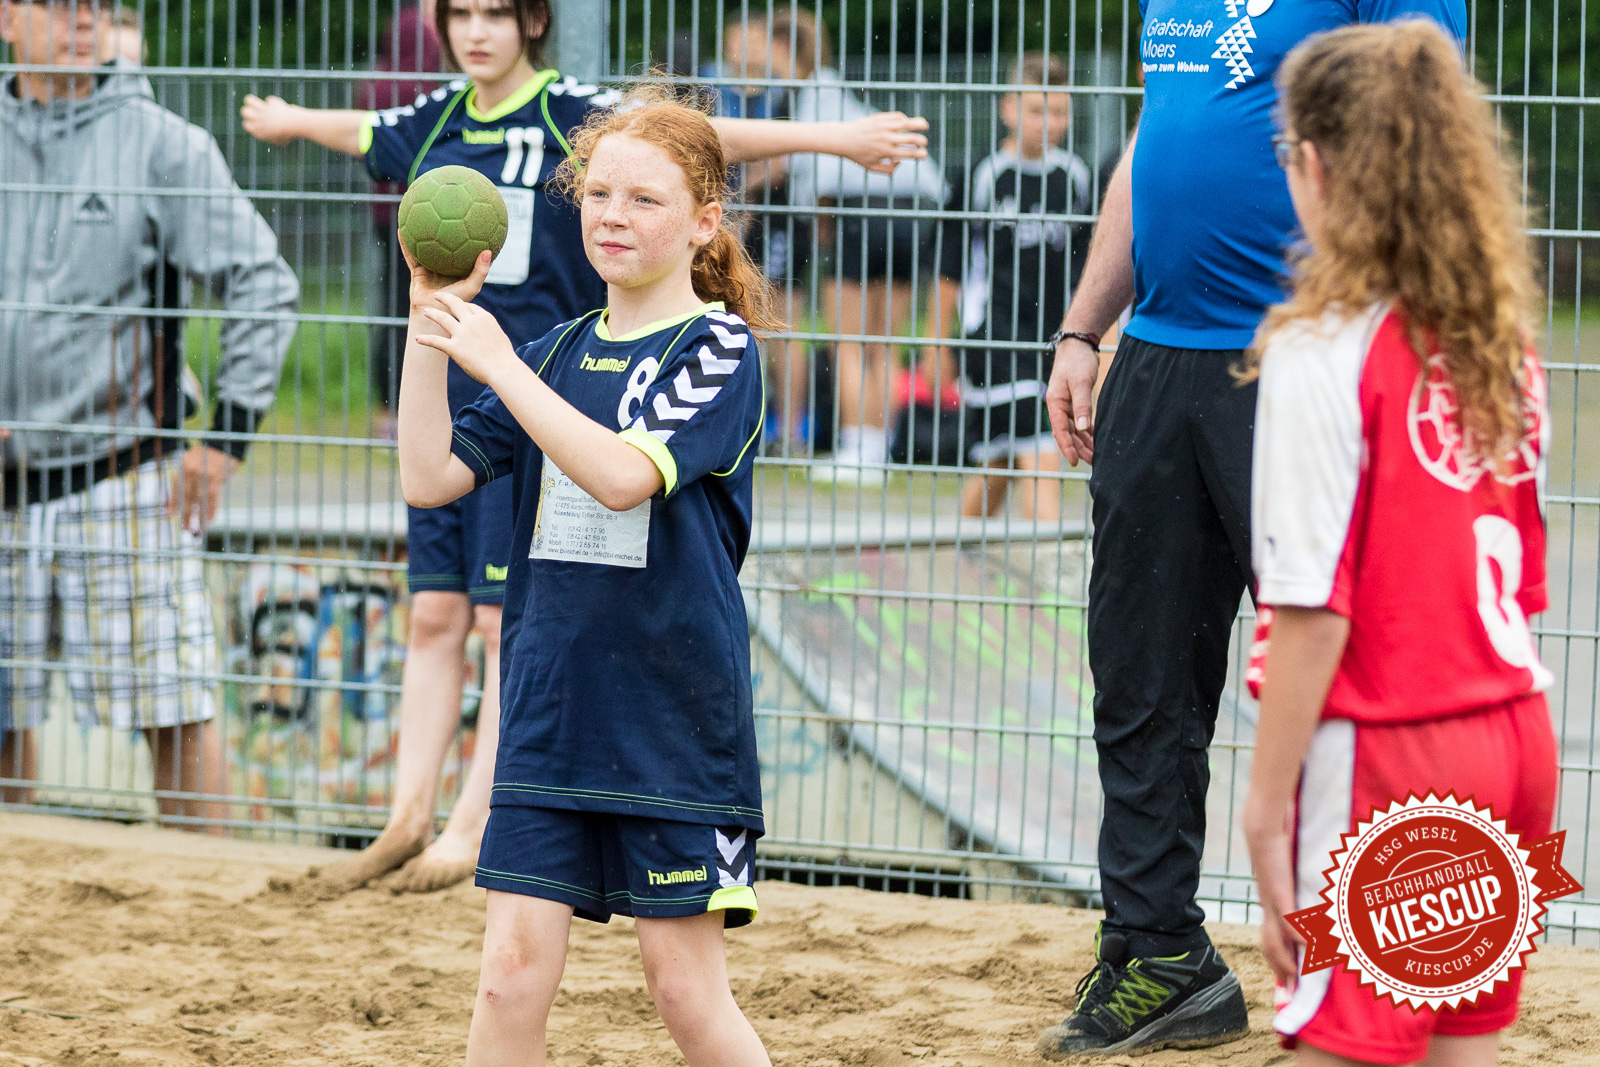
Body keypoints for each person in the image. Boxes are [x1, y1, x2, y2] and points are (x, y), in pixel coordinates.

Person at [240, 0, 928, 893]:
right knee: (434, 614)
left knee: (501, 620)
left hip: (562, 405)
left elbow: (691, 141)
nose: (475, 31)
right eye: (460, 14)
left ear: (532, 22)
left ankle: (469, 824)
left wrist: (834, 138)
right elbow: (363, 130)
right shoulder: (438, 118)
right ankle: (407, 816)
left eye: (495, 13)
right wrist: (292, 120)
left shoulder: (574, 117)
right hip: (466, 391)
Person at [1037, 0, 1467, 1056]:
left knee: (1357, 678)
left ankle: (1386, 947)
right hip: (1159, 359)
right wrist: (1083, 326)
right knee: (1139, 678)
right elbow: (1152, 144)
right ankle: (1158, 952)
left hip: (1311, 356)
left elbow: (1420, 142)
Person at [397, 91, 775, 1066]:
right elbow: (428, 475)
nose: (612, 215)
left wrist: (498, 365)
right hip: (552, 707)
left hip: (671, 719)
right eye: (598, 194)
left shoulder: (718, 348)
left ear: (704, 222)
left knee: (683, 989)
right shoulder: (556, 350)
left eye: (644, 199)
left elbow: (618, 477)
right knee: (508, 972)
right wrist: (426, 325)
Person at [1243, 23, 1553, 1067]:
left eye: (1285, 153)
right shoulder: (1496, 339)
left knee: (1338, 1042)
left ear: (1318, 164)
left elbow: (1313, 604)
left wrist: (1262, 810)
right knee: (1460, 1044)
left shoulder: (1318, 347)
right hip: (1514, 735)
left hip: (1393, 747)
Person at [0, 0, 299, 825]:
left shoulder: (163, 143)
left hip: (123, 473)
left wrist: (226, 436)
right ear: (8, 17)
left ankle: (208, 884)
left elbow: (262, 283)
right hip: (4, 484)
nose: (83, 20)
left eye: (97, 6)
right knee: (2, 713)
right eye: (61, 4)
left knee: (174, 708)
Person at [779, 9, 947, 480]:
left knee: (849, 343)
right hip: (907, 212)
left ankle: (856, 451)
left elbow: (814, 172)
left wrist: (819, 221)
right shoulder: (838, 95)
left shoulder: (815, 96)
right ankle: (877, 451)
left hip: (858, 213)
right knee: (884, 346)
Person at [937, 52, 1092, 522]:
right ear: (1008, 108)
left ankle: (956, 556)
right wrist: (937, 346)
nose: (1048, 123)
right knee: (1042, 455)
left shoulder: (1075, 177)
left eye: (1059, 112)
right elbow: (950, 270)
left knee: (999, 465)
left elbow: (1085, 268)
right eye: (1036, 110)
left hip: (1050, 338)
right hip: (994, 336)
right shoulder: (983, 175)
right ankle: (1049, 567)